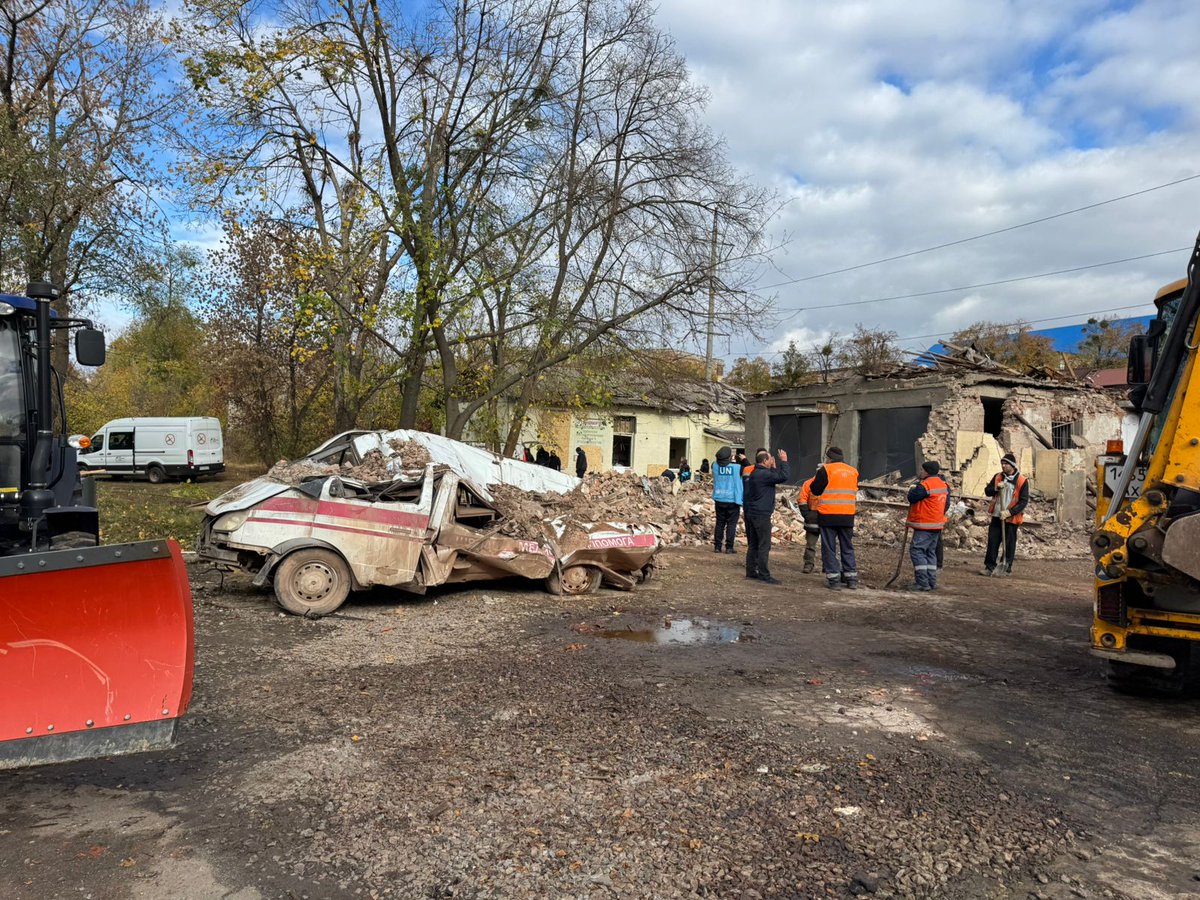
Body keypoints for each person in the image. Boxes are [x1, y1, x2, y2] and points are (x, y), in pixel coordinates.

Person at [809, 446, 859, 590]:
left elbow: (815, 489)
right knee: (847, 546)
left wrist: (818, 474)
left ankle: (834, 580)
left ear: (829, 458)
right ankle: (851, 579)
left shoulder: (826, 470)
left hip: (828, 515)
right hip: (848, 515)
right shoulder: (853, 471)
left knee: (829, 548)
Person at [743, 448, 790, 585]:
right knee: (764, 545)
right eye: (770, 459)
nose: (772, 460)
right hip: (761, 514)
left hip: (752, 513)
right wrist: (784, 461)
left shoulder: (755, 473)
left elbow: (774, 478)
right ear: (764, 461)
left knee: (753, 544)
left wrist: (774, 468)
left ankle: (751, 571)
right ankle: (764, 574)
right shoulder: (763, 475)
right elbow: (783, 477)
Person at [905, 461, 950, 591]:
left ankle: (922, 583)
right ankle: (931, 581)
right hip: (936, 525)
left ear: (926, 472)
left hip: (924, 524)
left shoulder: (925, 485)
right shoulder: (943, 484)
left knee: (917, 551)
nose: (920, 472)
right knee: (930, 552)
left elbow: (912, 498)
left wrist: (913, 488)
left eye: (922, 470)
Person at [982, 453, 1029, 576]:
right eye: (1002, 463)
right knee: (993, 541)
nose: (1003, 466)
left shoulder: (1021, 480)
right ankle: (989, 566)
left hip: (1011, 517)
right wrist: (996, 488)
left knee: (1009, 543)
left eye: (1006, 464)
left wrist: (1009, 512)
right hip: (997, 515)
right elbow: (987, 491)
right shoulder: (998, 477)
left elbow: (1023, 501)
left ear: (1012, 465)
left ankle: (1006, 567)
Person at [710, 447, 743, 554]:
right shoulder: (737, 467)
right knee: (731, 524)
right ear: (729, 457)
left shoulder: (714, 466)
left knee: (720, 523)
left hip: (719, 499)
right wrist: (742, 459)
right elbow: (747, 468)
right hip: (732, 500)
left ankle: (717, 547)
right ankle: (729, 547)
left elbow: (717, 463)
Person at [796, 475, 821, 574]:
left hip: (827, 516)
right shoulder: (809, 483)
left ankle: (828, 565)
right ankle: (808, 564)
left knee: (829, 545)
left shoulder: (832, 484)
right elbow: (802, 499)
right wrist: (808, 515)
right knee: (811, 544)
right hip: (814, 517)